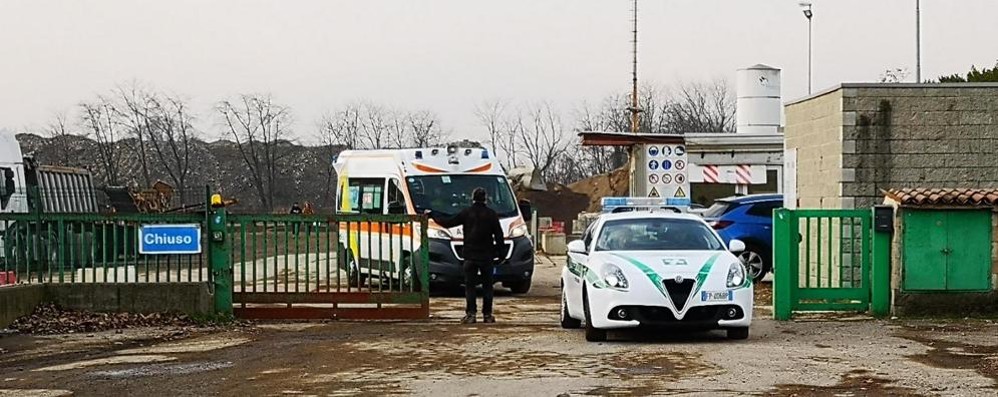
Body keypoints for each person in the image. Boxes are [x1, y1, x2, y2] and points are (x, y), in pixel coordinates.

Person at [427, 187, 504, 324]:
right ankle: (487, 315)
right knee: (487, 287)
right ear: (485, 198)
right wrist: (501, 254)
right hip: (486, 256)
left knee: (470, 286)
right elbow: (499, 235)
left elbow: (448, 222)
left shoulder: (467, 213)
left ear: (472, 198)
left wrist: (433, 215)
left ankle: (471, 314)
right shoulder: (491, 214)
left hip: (470, 255)